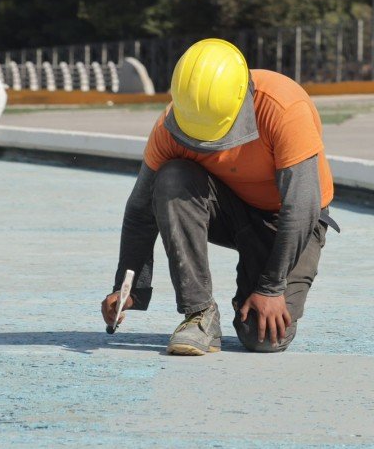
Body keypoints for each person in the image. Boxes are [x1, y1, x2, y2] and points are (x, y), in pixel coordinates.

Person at [100, 38, 338, 355]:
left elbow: (301, 208)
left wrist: (270, 287)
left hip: (289, 223)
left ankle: (259, 281)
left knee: (263, 337)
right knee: (171, 178)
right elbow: (141, 211)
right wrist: (129, 286)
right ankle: (199, 314)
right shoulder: (173, 123)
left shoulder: (283, 107)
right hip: (232, 212)